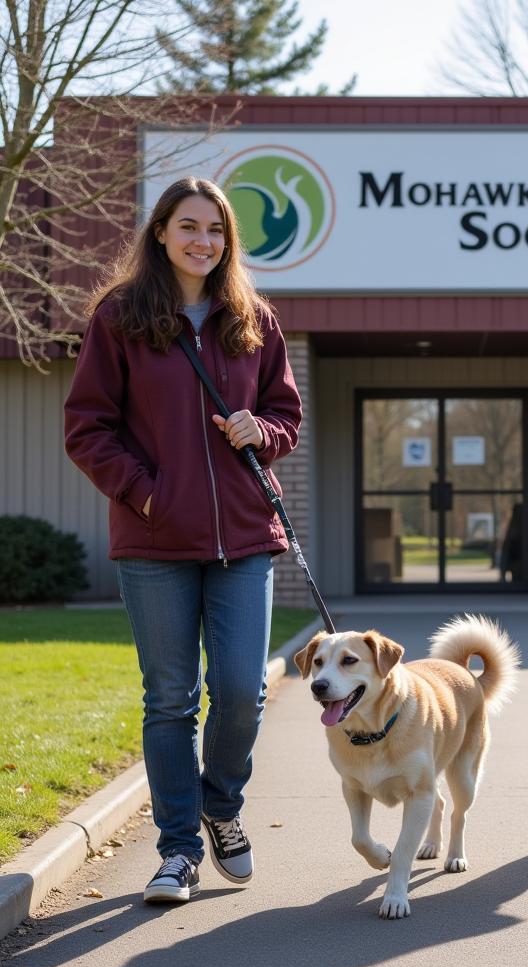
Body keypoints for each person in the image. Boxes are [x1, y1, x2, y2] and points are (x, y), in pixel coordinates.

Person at [64, 177, 302, 903]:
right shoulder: (121, 318)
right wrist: (146, 492)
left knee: (241, 689)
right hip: (154, 542)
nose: (204, 241)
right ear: (161, 232)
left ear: (229, 241)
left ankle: (220, 805)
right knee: (171, 699)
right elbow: (87, 427)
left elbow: (286, 415)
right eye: (189, 227)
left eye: (217, 230)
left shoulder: (251, 318)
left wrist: (260, 431)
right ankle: (176, 852)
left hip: (242, 537)